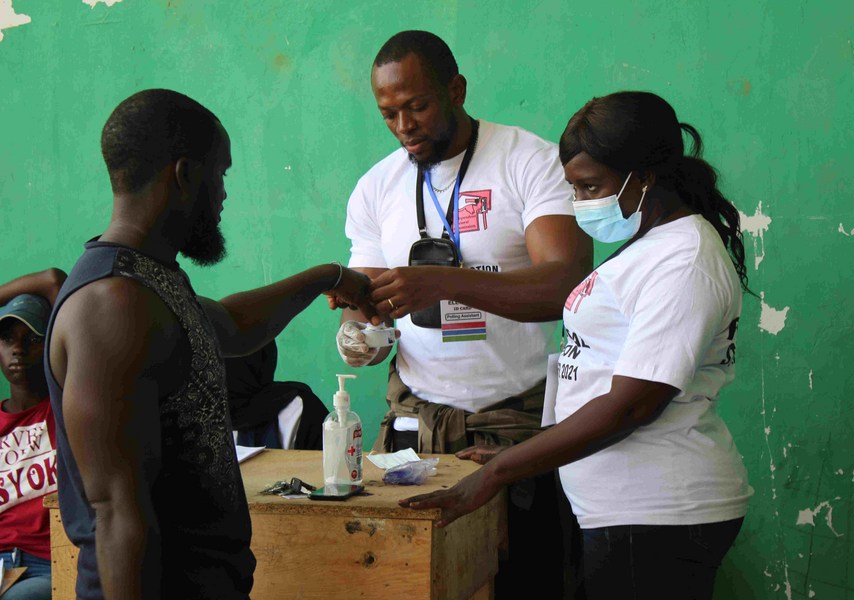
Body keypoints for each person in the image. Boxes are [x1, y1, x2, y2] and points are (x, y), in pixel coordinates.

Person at [401, 91, 755, 600]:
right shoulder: (650, 245)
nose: (581, 204)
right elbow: (598, 374)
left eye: (592, 187)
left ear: (646, 175)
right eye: (573, 188)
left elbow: (633, 404)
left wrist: (502, 471)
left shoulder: (684, 260)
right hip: (623, 509)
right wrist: (526, 451)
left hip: (659, 512)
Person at [44, 89, 373, 600]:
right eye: (220, 174)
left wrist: (330, 277)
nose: (223, 195)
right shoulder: (113, 306)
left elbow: (231, 324)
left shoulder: (151, 281)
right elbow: (116, 515)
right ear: (185, 175)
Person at [333, 30, 592, 598]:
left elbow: (566, 283)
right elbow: (366, 304)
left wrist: (444, 281)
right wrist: (358, 333)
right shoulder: (378, 187)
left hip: (515, 429)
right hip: (416, 431)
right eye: (389, 114)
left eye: (418, 105)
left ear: (457, 89)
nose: (405, 125)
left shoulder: (528, 161)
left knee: (524, 584)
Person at [0, 270, 66, 600]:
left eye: (33, 338)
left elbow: (54, 280)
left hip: (48, 562)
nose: (18, 350)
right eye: (8, 338)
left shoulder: (66, 405)